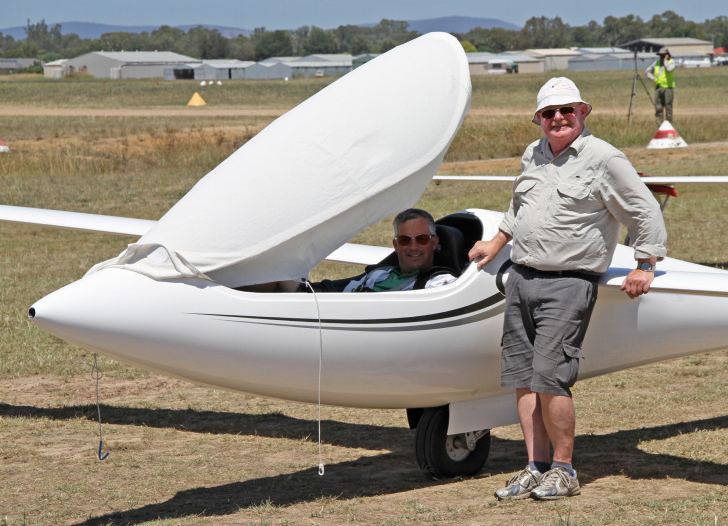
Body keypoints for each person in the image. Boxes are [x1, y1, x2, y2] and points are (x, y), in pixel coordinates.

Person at [468, 77, 667, 501]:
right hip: (521, 277)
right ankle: (535, 467)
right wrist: (496, 243)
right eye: (548, 113)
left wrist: (645, 264)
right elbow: (518, 206)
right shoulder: (533, 153)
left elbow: (644, 209)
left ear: (583, 113)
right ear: (538, 119)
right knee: (523, 378)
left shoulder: (604, 158)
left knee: (550, 378)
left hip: (570, 282)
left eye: (566, 111)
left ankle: (564, 470)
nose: (557, 118)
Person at [246, 208, 457, 293]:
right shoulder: (379, 274)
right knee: (279, 277)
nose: (413, 247)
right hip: (332, 317)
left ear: (433, 242)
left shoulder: (438, 283)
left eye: (421, 239)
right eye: (404, 240)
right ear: (395, 245)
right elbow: (340, 291)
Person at [645, 47, 676, 126]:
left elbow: (669, 69)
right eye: (660, 55)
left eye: (663, 55)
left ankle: (669, 125)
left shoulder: (672, 62)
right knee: (658, 107)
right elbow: (647, 71)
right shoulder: (656, 63)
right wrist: (652, 78)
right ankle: (659, 126)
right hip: (658, 88)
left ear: (667, 55)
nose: (661, 57)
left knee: (668, 107)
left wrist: (665, 60)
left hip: (668, 88)